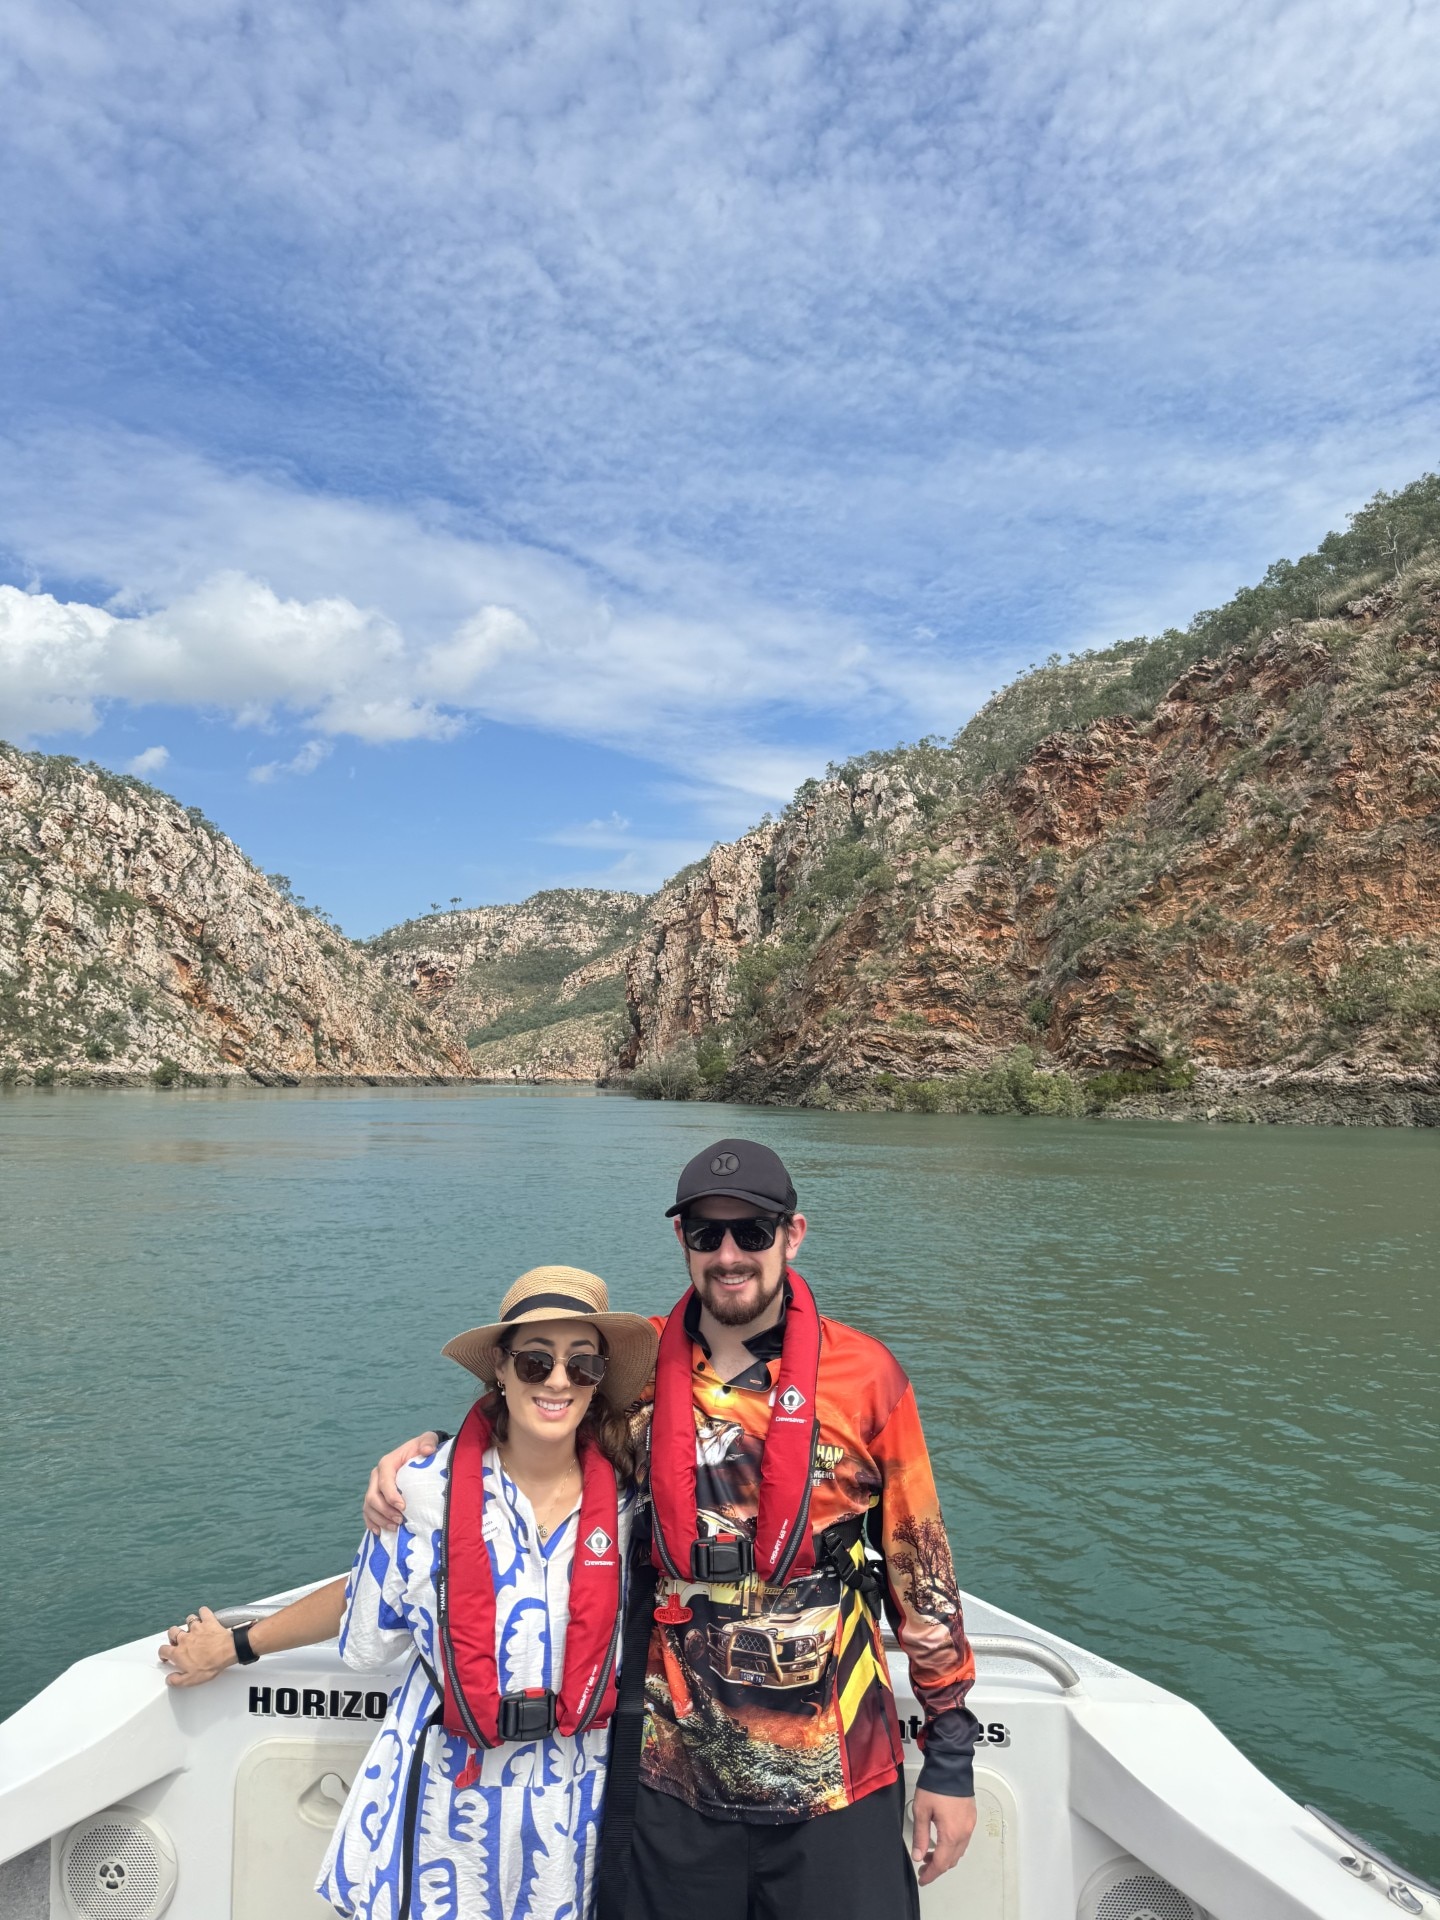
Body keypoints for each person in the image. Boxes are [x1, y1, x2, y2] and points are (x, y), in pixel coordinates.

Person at [370, 1142, 978, 1920]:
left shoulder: (866, 1376)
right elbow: (534, 1419)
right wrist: (425, 1455)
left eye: (752, 1232)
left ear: (793, 1235)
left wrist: (950, 1760)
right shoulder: (630, 1371)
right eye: (705, 1233)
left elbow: (921, 1572)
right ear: (682, 1241)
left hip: (840, 1774)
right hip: (673, 1778)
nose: (729, 1255)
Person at [159, 1266, 658, 1920]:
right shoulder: (421, 1492)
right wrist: (237, 1644)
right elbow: (370, 1603)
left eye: (582, 1365)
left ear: (600, 1381)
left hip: (575, 1812)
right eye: (536, 1361)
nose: (558, 1381)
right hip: (445, 1809)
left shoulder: (638, 1504)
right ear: (500, 1373)